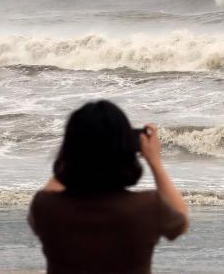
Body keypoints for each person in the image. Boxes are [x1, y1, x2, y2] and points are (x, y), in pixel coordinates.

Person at [29, 100, 189, 274]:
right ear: (127, 148)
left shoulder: (46, 206)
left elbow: (43, 205)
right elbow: (182, 220)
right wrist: (155, 161)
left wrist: (76, 154)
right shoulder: (148, 206)